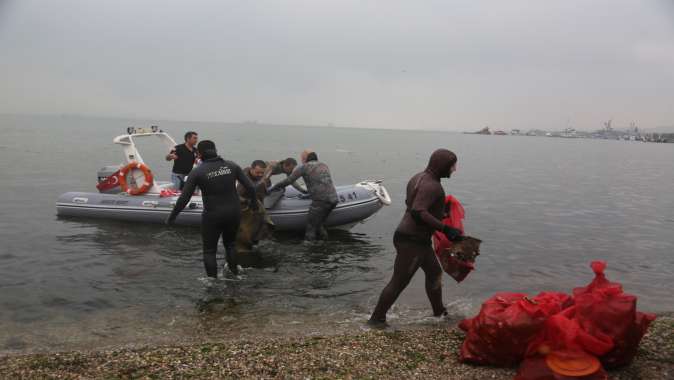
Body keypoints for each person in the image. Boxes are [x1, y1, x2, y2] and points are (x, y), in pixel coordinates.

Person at [369, 149, 462, 326]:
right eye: (452, 165)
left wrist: (440, 213)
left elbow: (411, 205)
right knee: (399, 281)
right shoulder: (433, 186)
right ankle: (376, 319)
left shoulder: (418, 178)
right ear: (443, 165)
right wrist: (445, 228)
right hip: (412, 241)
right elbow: (418, 211)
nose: (454, 169)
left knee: (434, 273)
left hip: (413, 238)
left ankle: (439, 313)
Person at [165, 140, 257, 278]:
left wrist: (171, 217)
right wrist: (254, 203)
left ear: (199, 154)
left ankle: (213, 283)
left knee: (209, 251)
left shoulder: (197, 172)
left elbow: (184, 198)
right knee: (230, 245)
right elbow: (250, 187)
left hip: (213, 215)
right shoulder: (231, 165)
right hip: (233, 212)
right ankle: (234, 274)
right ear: (215, 150)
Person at [268, 150, 338, 240]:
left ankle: (308, 248)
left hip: (320, 201)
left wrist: (273, 188)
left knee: (310, 228)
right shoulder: (324, 165)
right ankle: (325, 243)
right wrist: (305, 192)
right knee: (319, 224)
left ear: (306, 159)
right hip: (334, 199)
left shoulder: (304, 167)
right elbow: (321, 182)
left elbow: (288, 181)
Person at [236, 160, 274, 252]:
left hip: (257, 203)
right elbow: (236, 196)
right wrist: (247, 201)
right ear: (251, 169)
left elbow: (267, 185)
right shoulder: (244, 180)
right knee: (246, 231)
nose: (260, 174)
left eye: (262, 172)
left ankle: (256, 241)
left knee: (260, 225)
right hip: (246, 206)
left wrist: (265, 179)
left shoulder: (261, 176)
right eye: (257, 172)